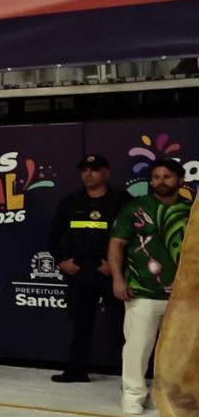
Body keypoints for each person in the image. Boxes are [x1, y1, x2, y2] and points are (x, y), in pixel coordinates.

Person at [109, 160, 189, 416]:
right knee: (137, 347)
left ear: (180, 179)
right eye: (156, 177)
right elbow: (116, 244)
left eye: (167, 176)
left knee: (178, 351)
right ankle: (133, 394)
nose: (161, 181)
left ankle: (168, 396)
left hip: (182, 296)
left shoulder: (191, 211)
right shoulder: (135, 208)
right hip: (141, 291)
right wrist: (117, 279)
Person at [50, 153, 122, 384]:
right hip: (80, 271)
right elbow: (53, 235)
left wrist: (115, 265)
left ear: (106, 172)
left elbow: (135, 237)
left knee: (123, 326)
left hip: (109, 272)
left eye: (95, 169)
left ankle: (131, 376)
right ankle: (76, 371)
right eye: (85, 170)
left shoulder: (122, 200)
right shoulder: (70, 202)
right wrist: (62, 261)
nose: (88, 173)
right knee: (81, 325)